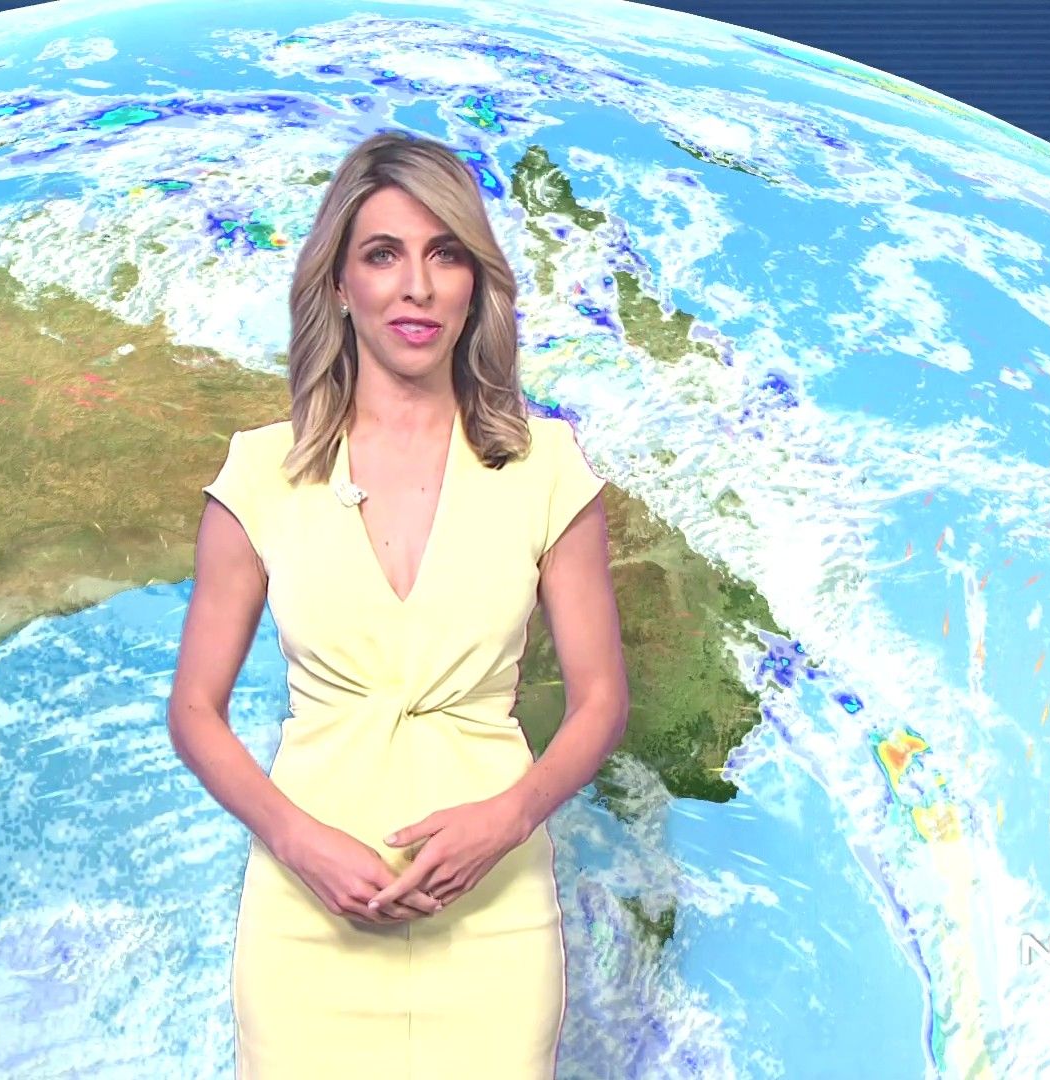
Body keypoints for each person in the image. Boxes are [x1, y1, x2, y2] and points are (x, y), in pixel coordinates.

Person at [168, 130, 628, 1078]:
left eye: (444, 254)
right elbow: (195, 711)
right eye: (383, 255)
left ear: (474, 283)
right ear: (339, 284)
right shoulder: (261, 472)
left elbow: (600, 702)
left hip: (494, 920)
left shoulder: (546, 467)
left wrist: (509, 819)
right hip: (309, 917)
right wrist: (297, 840)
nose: (417, 287)